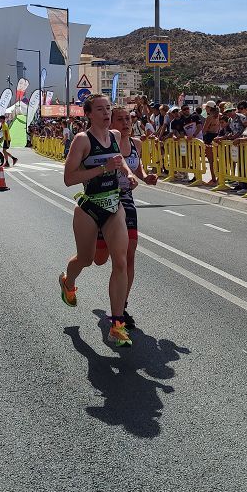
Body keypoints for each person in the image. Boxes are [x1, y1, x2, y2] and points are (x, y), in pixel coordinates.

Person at [58, 95, 138, 348]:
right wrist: (103, 169)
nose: (106, 113)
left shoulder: (114, 135)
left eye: (108, 109)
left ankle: (117, 324)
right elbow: (69, 178)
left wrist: (127, 173)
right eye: (101, 109)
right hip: (89, 207)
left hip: (114, 206)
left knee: (121, 261)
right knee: (86, 259)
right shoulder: (82, 140)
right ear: (89, 114)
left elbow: (120, 158)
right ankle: (68, 282)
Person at [92, 107, 156, 328]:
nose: (126, 123)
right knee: (98, 259)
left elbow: (138, 169)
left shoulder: (137, 143)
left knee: (128, 256)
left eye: (128, 119)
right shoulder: (106, 143)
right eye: (120, 119)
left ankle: (121, 307)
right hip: (103, 199)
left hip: (125, 201)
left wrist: (147, 178)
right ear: (111, 123)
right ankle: (71, 275)